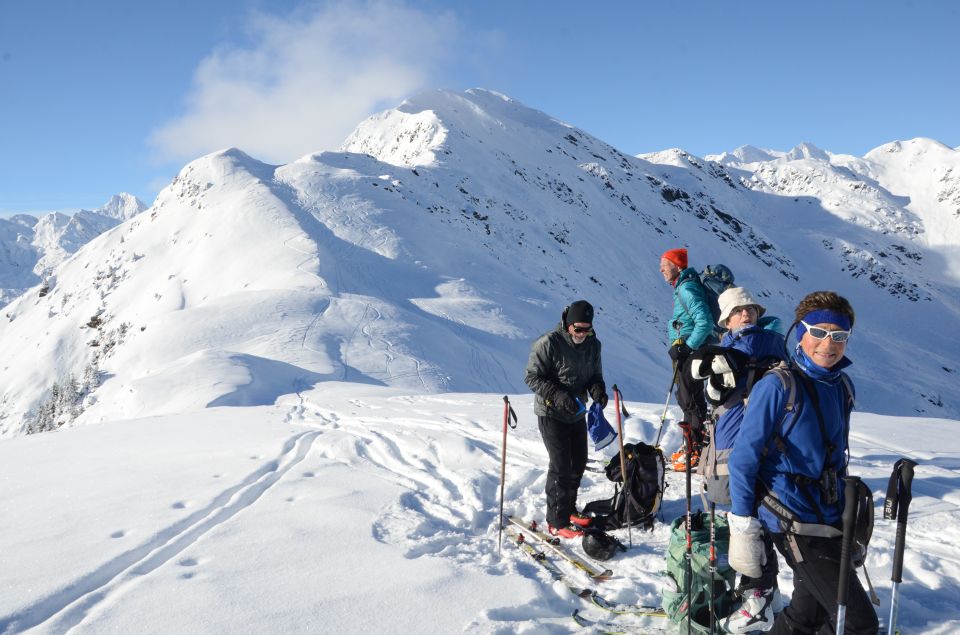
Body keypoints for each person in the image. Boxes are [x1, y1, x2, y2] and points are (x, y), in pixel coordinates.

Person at [726, 291, 879, 634]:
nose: (829, 344)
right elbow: (743, 458)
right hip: (790, 517)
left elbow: (835, 457)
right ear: (800, 332)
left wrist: (847, 511)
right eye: (819, 332)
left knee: (809, 613)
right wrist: (743, 524)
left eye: (839, 336)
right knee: (857, 622)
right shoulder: (777, 386)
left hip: (827, 514)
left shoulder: (842, 386)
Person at [690, 287, 787, 633]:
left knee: (747, 520)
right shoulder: (747, 345)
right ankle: (769, 596)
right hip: (747, 442)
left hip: (742, 446)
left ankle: (757, 599)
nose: (746, 314)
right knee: (755, 518)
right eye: (738, 311)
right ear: (726, 320)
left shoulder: (756, 342)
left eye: (750, 309)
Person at [524, 300, 608, 538]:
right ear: (568, 324)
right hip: (551, 412)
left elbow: (595, 375)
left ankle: (569, 510)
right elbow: (532, 377)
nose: (582, 334)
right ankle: (556, 521)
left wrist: (598, 391)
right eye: (578, 329)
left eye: (587, 330)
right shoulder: (549, 343)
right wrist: (558, 395)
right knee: (561, 466)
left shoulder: (593, 345)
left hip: (576, 411)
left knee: (578, 463)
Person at [660, 248, 715, 471]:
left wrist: (687, 346)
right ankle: (693, 446)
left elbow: (705, 321)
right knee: (688, 397)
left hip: (691, 352)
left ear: (677, 266)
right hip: (689, 351)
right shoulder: (684, 286)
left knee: (689, 398)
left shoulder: (686, 288)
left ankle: (696, 448)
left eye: (665, 265)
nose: (661, 270)